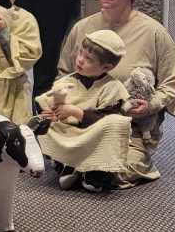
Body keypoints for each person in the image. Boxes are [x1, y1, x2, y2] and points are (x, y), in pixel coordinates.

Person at [58, 0, 175, 188]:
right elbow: (64, 73)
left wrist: (152, 105)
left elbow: (172, 78)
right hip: (83, 120)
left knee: (127, 164)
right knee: (50, 142)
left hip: (129, 126)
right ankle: (87, 166)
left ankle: (86, 167)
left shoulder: (153, 32)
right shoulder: (83, 28)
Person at [36, 30, 131, 193]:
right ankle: (66, 166)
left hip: (94, 134)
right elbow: (52, 106)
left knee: (115, 124)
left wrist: (75, 111)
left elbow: (109, 118)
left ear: (106, 67)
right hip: (70, 132)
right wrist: (51, 115)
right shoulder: (66, 82)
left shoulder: (111, 87)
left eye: (89, 59)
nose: (80, 59)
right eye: (81, 53)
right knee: (46, 126)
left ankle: (94, 173)